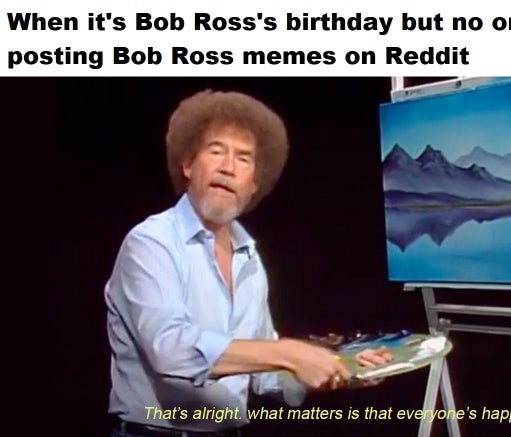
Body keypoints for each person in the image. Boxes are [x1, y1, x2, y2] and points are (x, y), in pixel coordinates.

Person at [105, 90, 392, 437]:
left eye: (243, 158)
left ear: (255, 183)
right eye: (216, 151)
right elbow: (170, 349)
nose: (228, 167)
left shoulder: (249, 257)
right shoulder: (150, 243)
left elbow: (265, 376)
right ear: (188, 164)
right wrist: (290, 353)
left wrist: (342, 368)